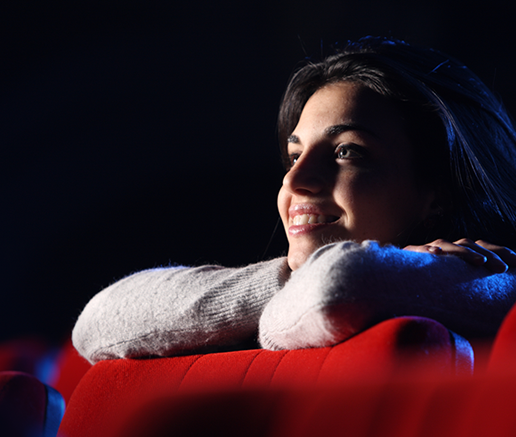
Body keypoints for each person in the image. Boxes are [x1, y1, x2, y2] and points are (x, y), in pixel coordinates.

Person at [73, 36, 516, 363]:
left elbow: (337, 287)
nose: (296, 180)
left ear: (437, 194)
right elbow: (98, 322)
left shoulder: (488, 275)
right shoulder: (319, 291)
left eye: (347, 152)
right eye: (295, 155)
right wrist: (284, 283)